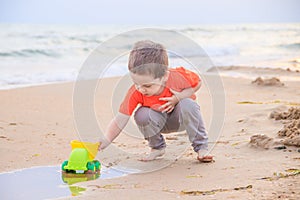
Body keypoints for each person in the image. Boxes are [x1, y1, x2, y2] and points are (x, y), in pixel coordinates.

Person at [99, 40, 213, 162]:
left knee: (188, 104)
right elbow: (121, 118)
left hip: (181, 119)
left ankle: (201, 148)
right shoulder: (136, 91)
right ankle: (157, 148)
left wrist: (178, 97)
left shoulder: (178, 77)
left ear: (164, 76)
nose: (141, 89)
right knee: (141, 114)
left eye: (147, 86)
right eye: (136, 83)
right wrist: (106, 140)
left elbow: (198, 82)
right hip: (159, 123)